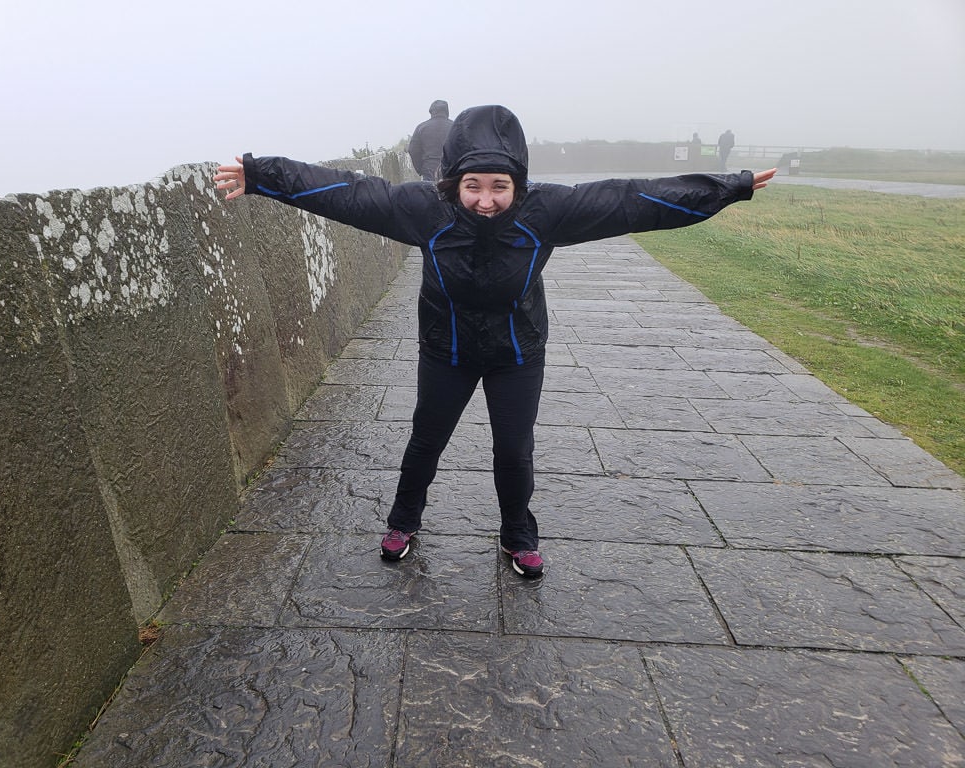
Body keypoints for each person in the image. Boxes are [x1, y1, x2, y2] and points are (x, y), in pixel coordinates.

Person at [214, 105, 775, 578]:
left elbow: (633, 200)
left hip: (516, 353)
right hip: (447, 350)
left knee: (513, 448)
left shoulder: (547, 212)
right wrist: (262, 174)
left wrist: (730, 187)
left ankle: (517, 534)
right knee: (425, 440)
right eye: (473, 186)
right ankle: (403, 521)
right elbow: (347, 193)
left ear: (518, 184)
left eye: (499, 187)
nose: (486, 200)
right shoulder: (424, 213)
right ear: (454, 183)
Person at [407, 100, 453, 181]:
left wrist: (421, 169)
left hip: (429, 168)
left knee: (430, 192)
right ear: (447, 111)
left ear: (431, 112)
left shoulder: (421, 127)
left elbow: (412, 150)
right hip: (451, 168)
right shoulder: (455, 126)